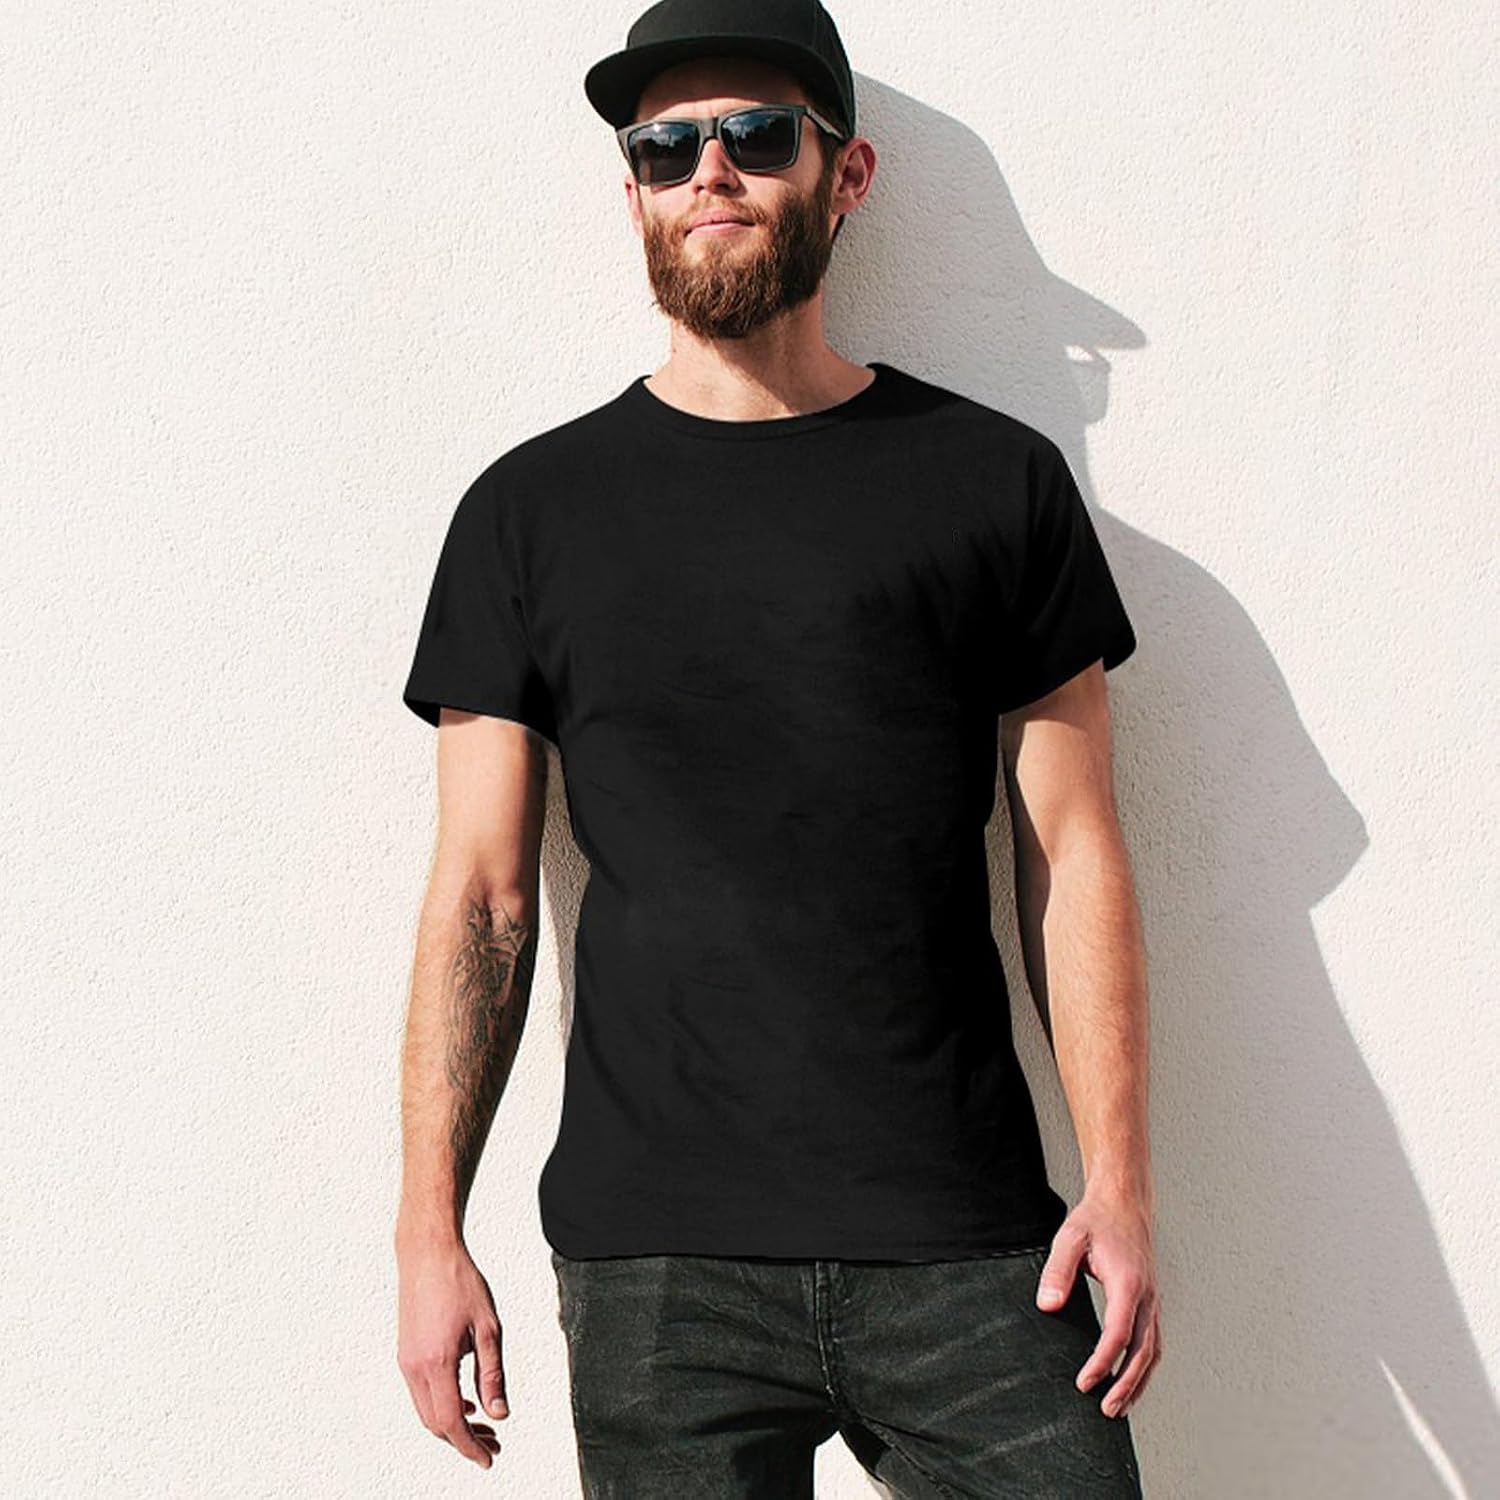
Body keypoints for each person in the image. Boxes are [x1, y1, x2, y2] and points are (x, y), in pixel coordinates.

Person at [393, 0, 1160, 1493]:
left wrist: (1121, 1183)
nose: (711, 171)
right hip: (658, 1269)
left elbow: (1073, 852)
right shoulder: (527, 516)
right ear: (633, 192)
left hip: (969, 1238)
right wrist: (431, 1232)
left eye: (757, 135)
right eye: (665, 146)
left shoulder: (993, 484)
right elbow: (481, 897)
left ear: (845, 173)